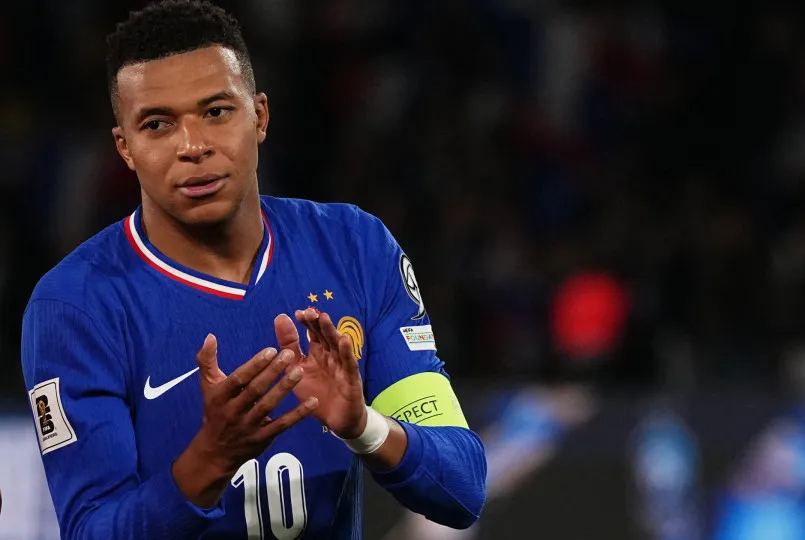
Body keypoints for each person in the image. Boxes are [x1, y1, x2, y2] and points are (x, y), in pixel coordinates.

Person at [19, 1, 487, 538]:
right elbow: (92, 529)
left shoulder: (355, 249)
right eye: (158, 124)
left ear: (259, 116)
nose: (193, 146)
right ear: (125, 147)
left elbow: (463, 486)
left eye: (217, 111)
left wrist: (365, 427)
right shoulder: (74, 306)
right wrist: (211, 459)